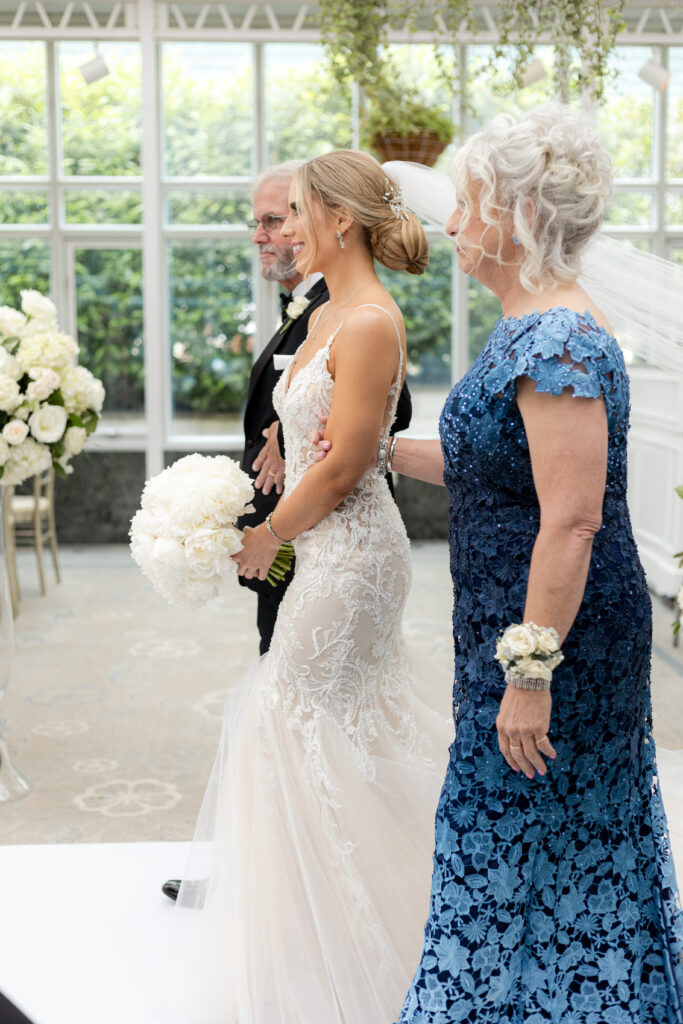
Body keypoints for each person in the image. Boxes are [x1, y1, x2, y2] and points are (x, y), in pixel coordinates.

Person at [367, 104, 683, 1022]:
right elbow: (482, 466)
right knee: (533, 833)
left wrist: (531, 670)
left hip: (555, 640)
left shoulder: (556, 343)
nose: (453, 226)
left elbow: (574, 521)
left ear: (510, 213)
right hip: (512, 628)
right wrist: (363, 451)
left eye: (466, 205)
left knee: (530, 824)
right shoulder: (529, 328)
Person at [172, 150, 452, 1024]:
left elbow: (349, 469)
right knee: (314, 723)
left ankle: (374, 930)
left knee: (287, 714)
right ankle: (311, 922)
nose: (286, 229)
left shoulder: (368, 320)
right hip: (325, 551)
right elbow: (314, 446)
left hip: (352, 556)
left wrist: (266, 535)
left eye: (295, 212)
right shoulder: (331, 313)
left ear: (338, 220)